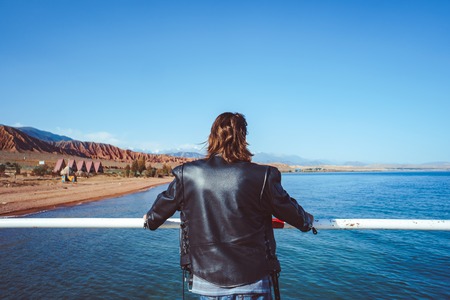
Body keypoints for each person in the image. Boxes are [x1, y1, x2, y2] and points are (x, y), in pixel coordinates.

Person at [144, 112, 314, 300]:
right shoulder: (263, 176)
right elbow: (297, 218)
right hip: (252, 283)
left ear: (212, 136)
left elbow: (154, 219)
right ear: (243, 137)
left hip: (207, 283)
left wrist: (149, 218)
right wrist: (308, 219)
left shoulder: (188, 174)